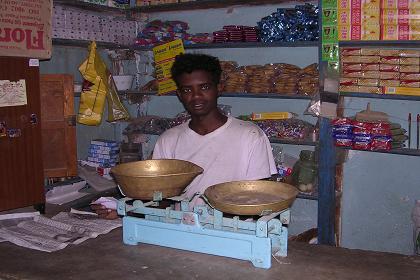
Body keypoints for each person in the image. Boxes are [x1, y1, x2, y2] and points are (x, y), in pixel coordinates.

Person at [92, 53, 276, 218]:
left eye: (204, 87)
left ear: (218, 88)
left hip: (234, 232)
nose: (196, 96)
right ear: (179, 94)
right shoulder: (170, 139)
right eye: (187, 90)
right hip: (182, 230)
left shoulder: (250, 136)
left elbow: (259, 199)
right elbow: (162, 199)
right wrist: (124, 209)